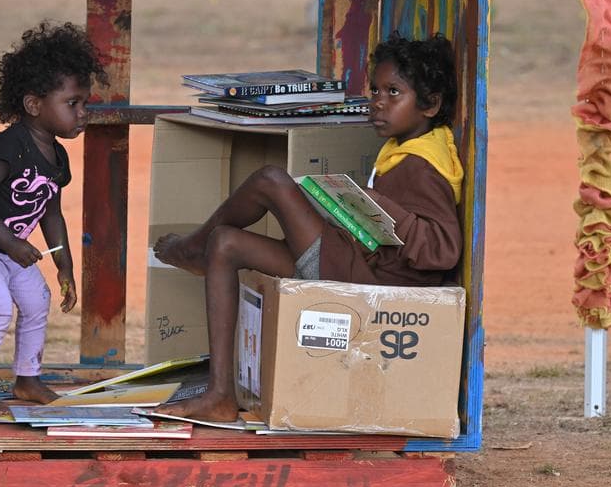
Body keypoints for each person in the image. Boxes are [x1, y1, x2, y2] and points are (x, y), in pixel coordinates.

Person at [152, 33, 464, 421]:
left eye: (393, 92)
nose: (377, 103)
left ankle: (190, 249)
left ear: (430, 104)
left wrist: (378, 205)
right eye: (375, 91)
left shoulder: (424, 165)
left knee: (270, 180)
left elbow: (443, 249)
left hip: (368, 285)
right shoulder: (406, 148)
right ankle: (220, 394)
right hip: (351, 260)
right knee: (226, 243)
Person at [0, 21, 108, 415]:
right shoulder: (8, 145)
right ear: (33, 105)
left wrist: (64, 264)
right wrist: (11, 244)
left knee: (36, 300)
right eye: (72, 104)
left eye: (85, 103)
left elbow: (50, 210)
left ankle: (27, 379)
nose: (83, 114)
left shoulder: (58, 156)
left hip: (8, 245)